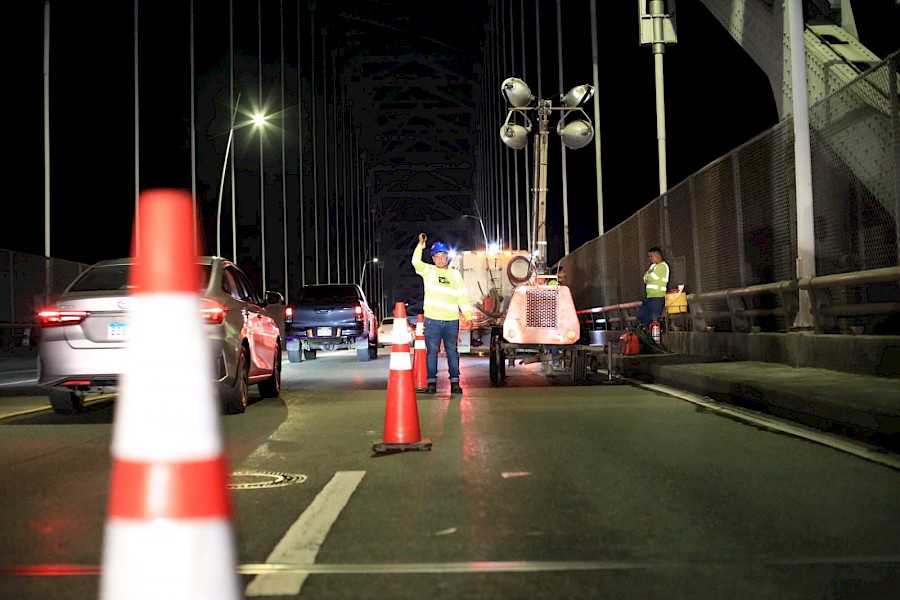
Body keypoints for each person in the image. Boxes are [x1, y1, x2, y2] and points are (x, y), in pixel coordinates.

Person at [412, 233, 474, 395]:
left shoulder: (454, 274)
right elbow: (415, 262)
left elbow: (462, 296)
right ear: (433, 258)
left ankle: (455, 382)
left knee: (452, 352)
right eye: (437, 256)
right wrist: (420, 246)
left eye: (443, 256)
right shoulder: (428, 271)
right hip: (432, 320)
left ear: (447, 257)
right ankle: (431, 382)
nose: (440, 259)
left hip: (451, 320)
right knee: (432, 352)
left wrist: (468, 316)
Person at [636, 246, 669, 327]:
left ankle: (657, 331)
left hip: (658, 296)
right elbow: (645, 278)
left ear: (657, 255)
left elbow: (650, 277)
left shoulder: (663, 266)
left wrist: (648, 275)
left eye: (651, 256)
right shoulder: (653, 266)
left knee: (653, 318)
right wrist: (648, 276)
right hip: (649, 297)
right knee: (640, 315)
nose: (650, 258)